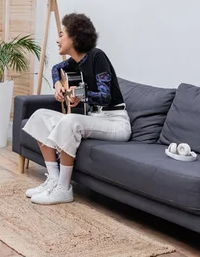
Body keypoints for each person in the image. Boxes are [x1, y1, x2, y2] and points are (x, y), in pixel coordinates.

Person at [22, 13, 130, 205]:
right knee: (39, 116)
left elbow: (105, 97)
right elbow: (56, 69)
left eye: (61, 34)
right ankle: (54, 179)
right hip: (94, 119)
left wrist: (80, 93)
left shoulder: (97, 56)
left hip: (114, 122)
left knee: (69, 121)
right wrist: (57, 85)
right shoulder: (75, 62)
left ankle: (64, 189)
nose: (57, 39)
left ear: (75, 37)